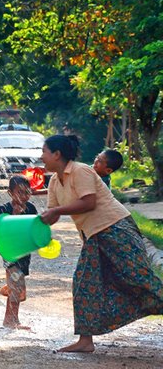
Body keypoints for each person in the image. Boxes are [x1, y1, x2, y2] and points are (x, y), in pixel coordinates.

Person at [39, 135, 163, 353]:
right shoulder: (54, 182)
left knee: (139, 278)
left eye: (44, 151)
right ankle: (85, 341)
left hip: (115, 228)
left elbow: (88, 202)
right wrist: (36, 223)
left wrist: (56, 211)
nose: (41, 157)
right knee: (85, 283)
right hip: (93, 236)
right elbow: (54, 214)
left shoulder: (81, 171)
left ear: (57, 154)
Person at [0, 175, 36, 330]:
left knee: (21, 294)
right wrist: (15, 216)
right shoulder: (4, 209)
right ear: (10, 193)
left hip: (24, 255)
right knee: (17, 289)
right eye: (20, 192)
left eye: (27, 192)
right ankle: (11, 321)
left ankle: (8, 288)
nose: (24, 196)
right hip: (10, 254)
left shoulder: (31, 208)